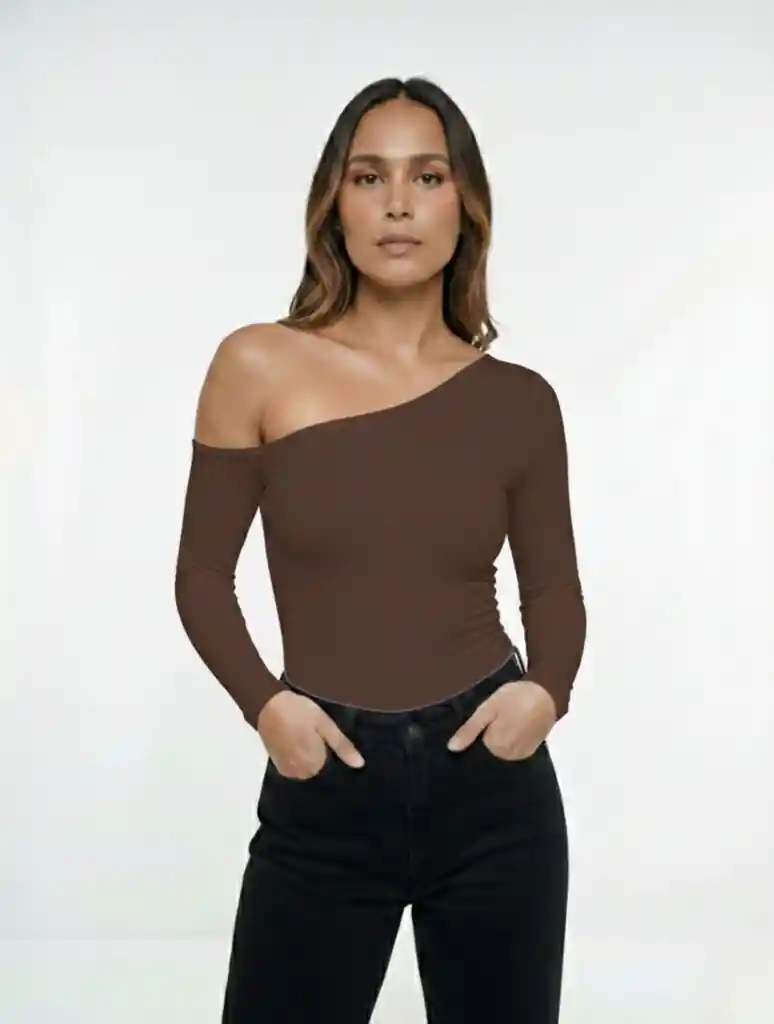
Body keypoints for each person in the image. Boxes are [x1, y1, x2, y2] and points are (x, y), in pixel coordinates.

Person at [174, 75, 586, 1024]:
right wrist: (266, 705)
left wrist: (547, 692)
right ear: (336, 203)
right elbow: (200, 577)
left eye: (427, 176)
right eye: (370, 176)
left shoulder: (521, 401)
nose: (398, 203)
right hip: (325, 779)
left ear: (465, 205)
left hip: (493, 789)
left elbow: (554, 592)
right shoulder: (257, 364)